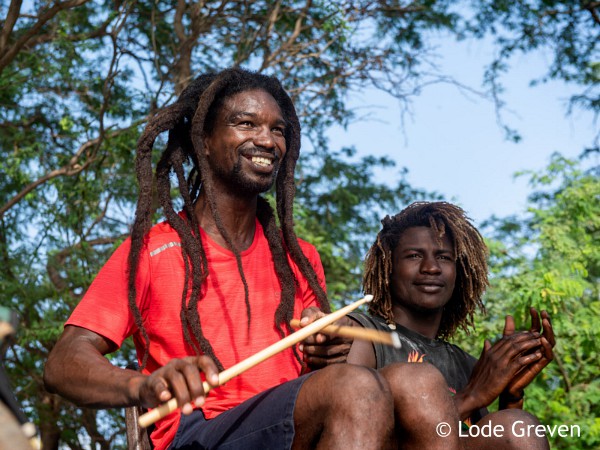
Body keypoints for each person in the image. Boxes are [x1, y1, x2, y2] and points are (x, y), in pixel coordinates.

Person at [43, 68, 399, 450]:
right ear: (204, 143)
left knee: (411, 384)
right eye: (245, 123)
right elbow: (64, 362)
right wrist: (143, 385)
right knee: (357, 387)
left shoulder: (300, 258)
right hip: (198, 434)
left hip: (290, 427)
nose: (266, 139)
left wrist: (324, 345)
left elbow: (323, 376)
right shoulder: (150, 250)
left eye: (278, 130)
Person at [347, 201, 556, 449]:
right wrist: (472, 396)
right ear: (389, 267)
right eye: (414, 255)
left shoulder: (467, 365)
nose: (431, 268)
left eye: (444, 257)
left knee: (520, 427)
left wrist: (510, 397)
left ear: (460, 273)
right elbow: (354, 434)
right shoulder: (364, 336)